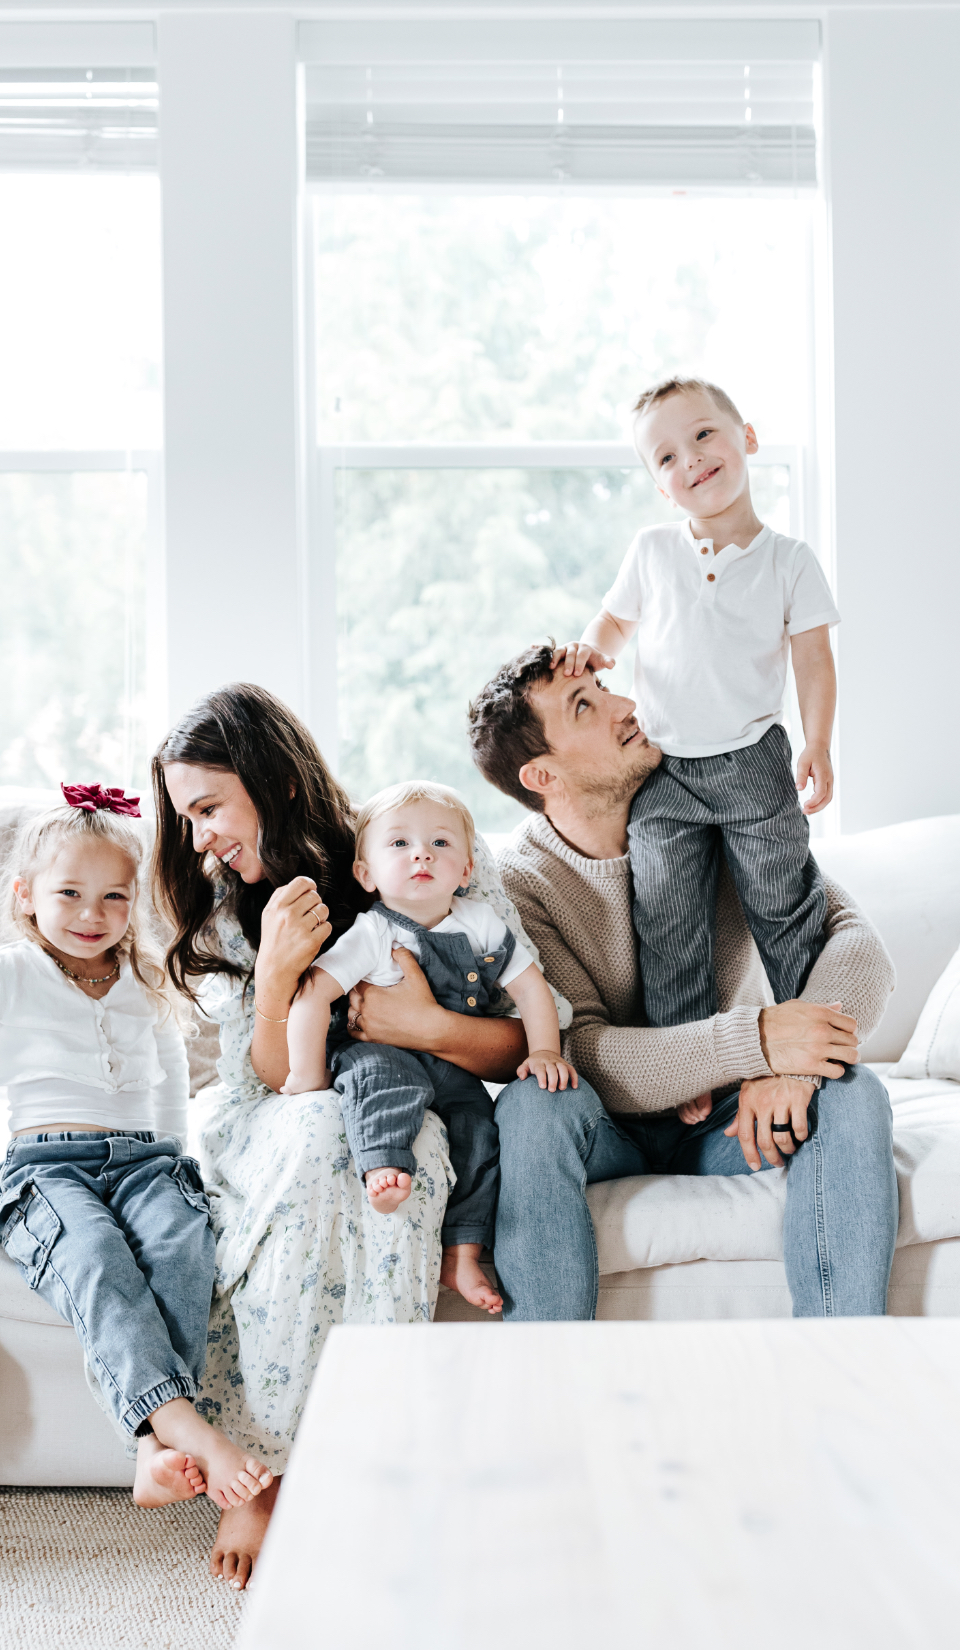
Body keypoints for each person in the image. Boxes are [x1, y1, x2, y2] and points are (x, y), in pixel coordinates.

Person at [151, 683, 577, 1587]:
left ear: (273, 782)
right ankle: (259, 1478)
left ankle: (373, 1450)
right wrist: (274, 977)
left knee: (413, 1149)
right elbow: (262, 1080)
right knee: (315, 1134)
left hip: (404, 1095)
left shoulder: (413, 842)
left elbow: (518, 1042)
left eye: (208, 809)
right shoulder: (232, 903)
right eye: (184, 819)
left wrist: (416, 1025)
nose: (199, 839)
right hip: (275, 1108)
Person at [467, 644, 900, 1320]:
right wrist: (760, 1041)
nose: (625, 706)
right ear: (542, 775)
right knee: (531, 1103)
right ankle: (544, 1388)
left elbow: (856, 941)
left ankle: (840, 1365)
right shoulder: (518, 884)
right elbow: (582, 1050)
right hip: (606, 1127)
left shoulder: (716, 806)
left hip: (732, 1122)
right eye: (586, 706)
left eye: (606, 687)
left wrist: (797, 1067)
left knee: (851, 1088)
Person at [0, 786, 274, 1513]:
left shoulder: (143, 976)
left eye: (111, 897)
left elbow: (170, 1072)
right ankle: (186, 1429)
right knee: (96, 1256)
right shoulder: (8, 972)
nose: (89, 914)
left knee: (182, 1248)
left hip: (144, 1161)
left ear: (132, 901)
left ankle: (150, 1448)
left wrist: (172, 1155)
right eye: (69, 893)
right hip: (46, 1167)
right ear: (25, 895)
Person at [557, 377, 838, 1129]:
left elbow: (813, 660)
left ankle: (807, 1042)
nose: (692, 460)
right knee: (668, 918)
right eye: (668, 456)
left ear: (747, 436)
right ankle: (691, 1065)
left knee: (782, 903)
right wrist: (589, 652)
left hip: (753, 762)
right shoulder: (652, 552)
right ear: (659, 485)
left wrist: (818, 741)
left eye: (705, 436)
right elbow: (613, 624)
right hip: (667, 770)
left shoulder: (789, 560)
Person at [283, 779, 578, 1315]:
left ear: (466, 870)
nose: (421, 852)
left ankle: (461, 1253)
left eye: (440, 843)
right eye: (399, 844)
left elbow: (532, 989)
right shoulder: (371, 932)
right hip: (380, 1053)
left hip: (449, 1062)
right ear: (365, 874)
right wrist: (306, 1077)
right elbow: (311, 995)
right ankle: (384, 1164)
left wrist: (545, 1052)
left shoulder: (480, 923)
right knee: (385, 1084)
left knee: (480, 1130)